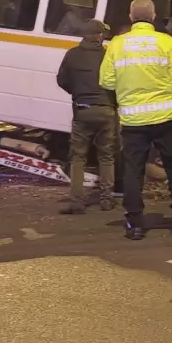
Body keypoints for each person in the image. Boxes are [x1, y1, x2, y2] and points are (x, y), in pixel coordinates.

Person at [99, 0, 172, 240]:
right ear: (154, 17)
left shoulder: (117, 44)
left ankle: (135, 224)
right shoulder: (167, 43)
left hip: (133, 121)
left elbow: (106, 81)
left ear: (131, 17)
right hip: (165, 119)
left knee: (133, 171)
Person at [55, 19, 117, 214]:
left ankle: (77, 202)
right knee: (106, 156)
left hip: (82, 110)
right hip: (106, 110)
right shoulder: (108, 56)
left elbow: (62, 80)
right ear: (99, 36)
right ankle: (106, 199)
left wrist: (78, 93)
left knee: (78, 157)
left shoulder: (72, 54)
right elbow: (117, 82)